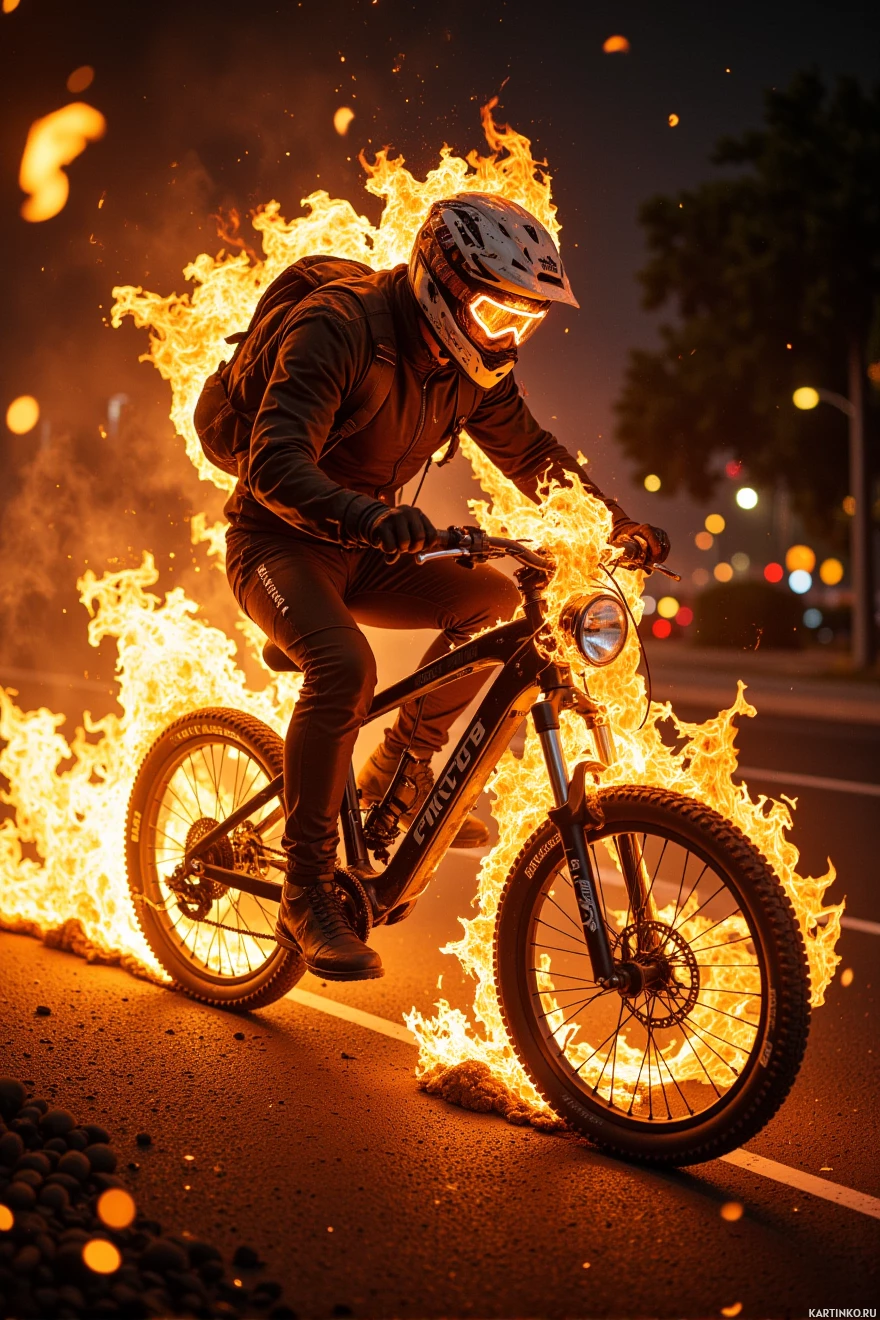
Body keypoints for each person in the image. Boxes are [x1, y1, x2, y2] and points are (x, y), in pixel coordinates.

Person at [223, 193, 669, 981]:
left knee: (494, 606)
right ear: (445, 284)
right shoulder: (341, 327)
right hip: (277, 539)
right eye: (499, 314)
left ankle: (395, 779)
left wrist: (616, 523)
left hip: (365, 544)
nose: (508, 339)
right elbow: (273, 464)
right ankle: (305, 890)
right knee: (344, 668)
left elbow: (537, 458)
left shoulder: (471, 371)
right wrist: (368, 516)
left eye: (526, 324)